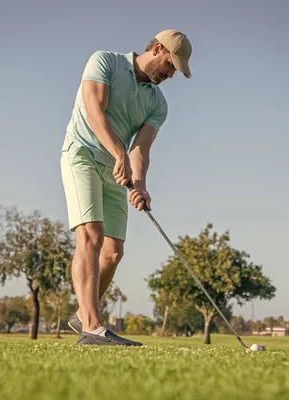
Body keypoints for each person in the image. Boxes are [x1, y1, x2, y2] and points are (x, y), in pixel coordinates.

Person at [59, 29, 193, 346]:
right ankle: (92, 328)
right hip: (83, 156)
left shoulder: (158, 103)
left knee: (113, 252)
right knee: (90, 234)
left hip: (114, 171)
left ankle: (82, 315)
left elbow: (141, 148)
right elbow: (95, 110)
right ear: (157, 48)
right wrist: (120, 154)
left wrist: (141, 185)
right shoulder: (104, 61)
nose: (171, 74)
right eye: (171, 65)